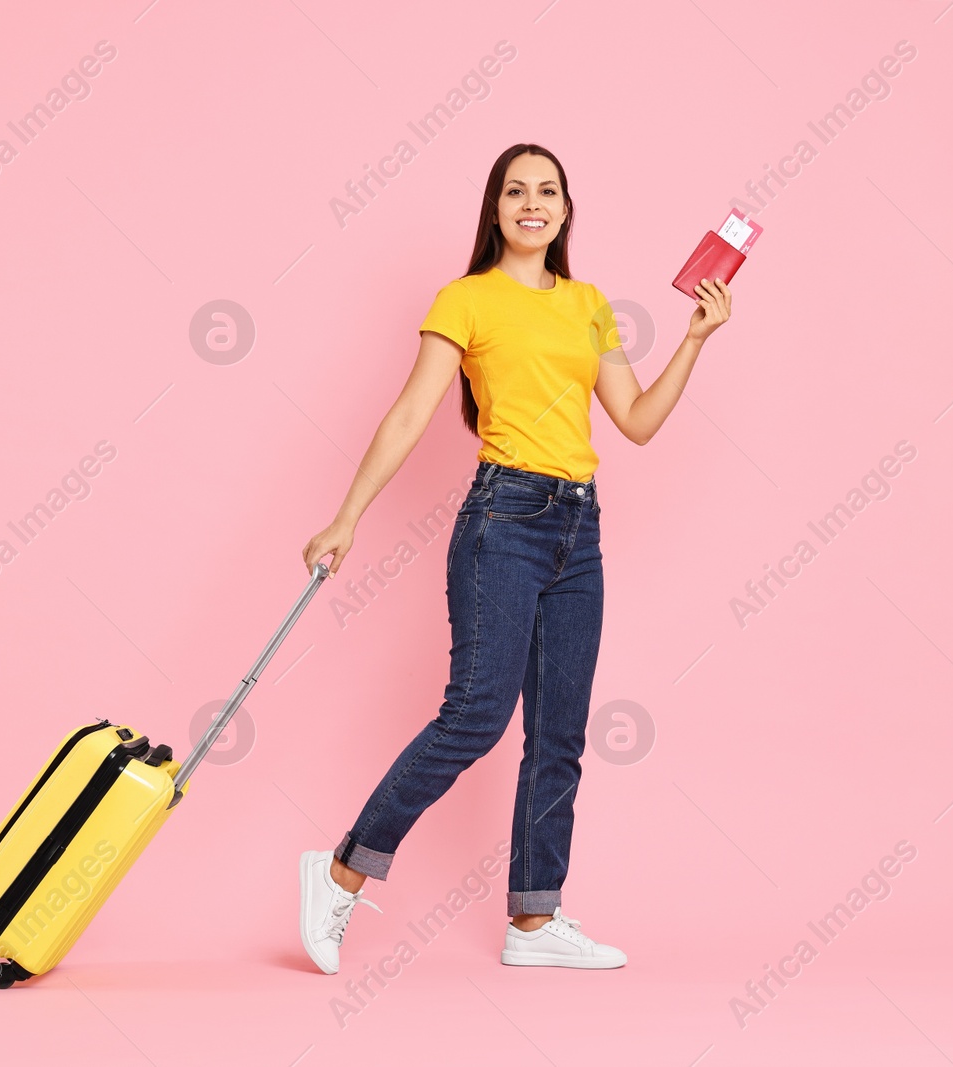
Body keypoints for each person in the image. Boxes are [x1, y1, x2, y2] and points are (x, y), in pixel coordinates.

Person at [297, 143, 733, 973]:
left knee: (560, 733)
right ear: (495, 210)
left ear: (567, 209)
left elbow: (635, 420)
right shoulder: (465, 298)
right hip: (504, 519)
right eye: (515, 191)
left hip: (579, 527)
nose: (532, 203)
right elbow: (411, 412)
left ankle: (534, 922)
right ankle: (343, 870)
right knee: (475, 715)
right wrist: (346, 516)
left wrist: (695, 339)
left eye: (548, 191)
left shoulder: (589, 304)